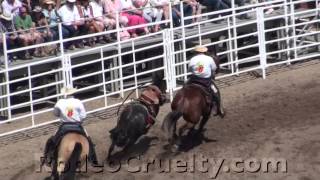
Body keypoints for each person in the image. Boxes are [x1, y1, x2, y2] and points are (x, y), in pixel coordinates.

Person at [43, 86, 98, 166]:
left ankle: (49, 157)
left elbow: (55, 114)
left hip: (64, 126)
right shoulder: (78, 102)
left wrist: (63, 115)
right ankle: (93, 159)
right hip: (77, 126)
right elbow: (83, 116)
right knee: (89, 140)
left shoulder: (60, 102)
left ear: (65, 93)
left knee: (52, 140)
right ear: (73, 93)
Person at [187, 45, 225, 118]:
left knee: (185, 85)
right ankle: (220, 109)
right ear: (204, 52)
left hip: (194, 79)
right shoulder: (209, 58)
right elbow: (214, 68)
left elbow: (189, 70)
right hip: (205, 80)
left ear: (196, 52)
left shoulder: (192, 59)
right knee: (216, 92)